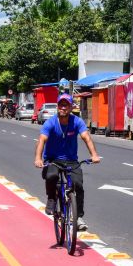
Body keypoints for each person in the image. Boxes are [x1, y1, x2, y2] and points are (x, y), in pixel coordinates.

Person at [33, 93, 100, 231]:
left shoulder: (77, 121)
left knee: (78, 185)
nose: (63, 107)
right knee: (51, 176)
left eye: (66, 105)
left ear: (70, 107)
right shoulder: (50, 123)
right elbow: (42, 140)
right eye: (61, 105)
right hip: (53, 159)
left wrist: (94, 155)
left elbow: (86, 137)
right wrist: (38, 158)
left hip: (71, 160)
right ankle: (51, 199)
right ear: (58, 107)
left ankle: (79, 216)